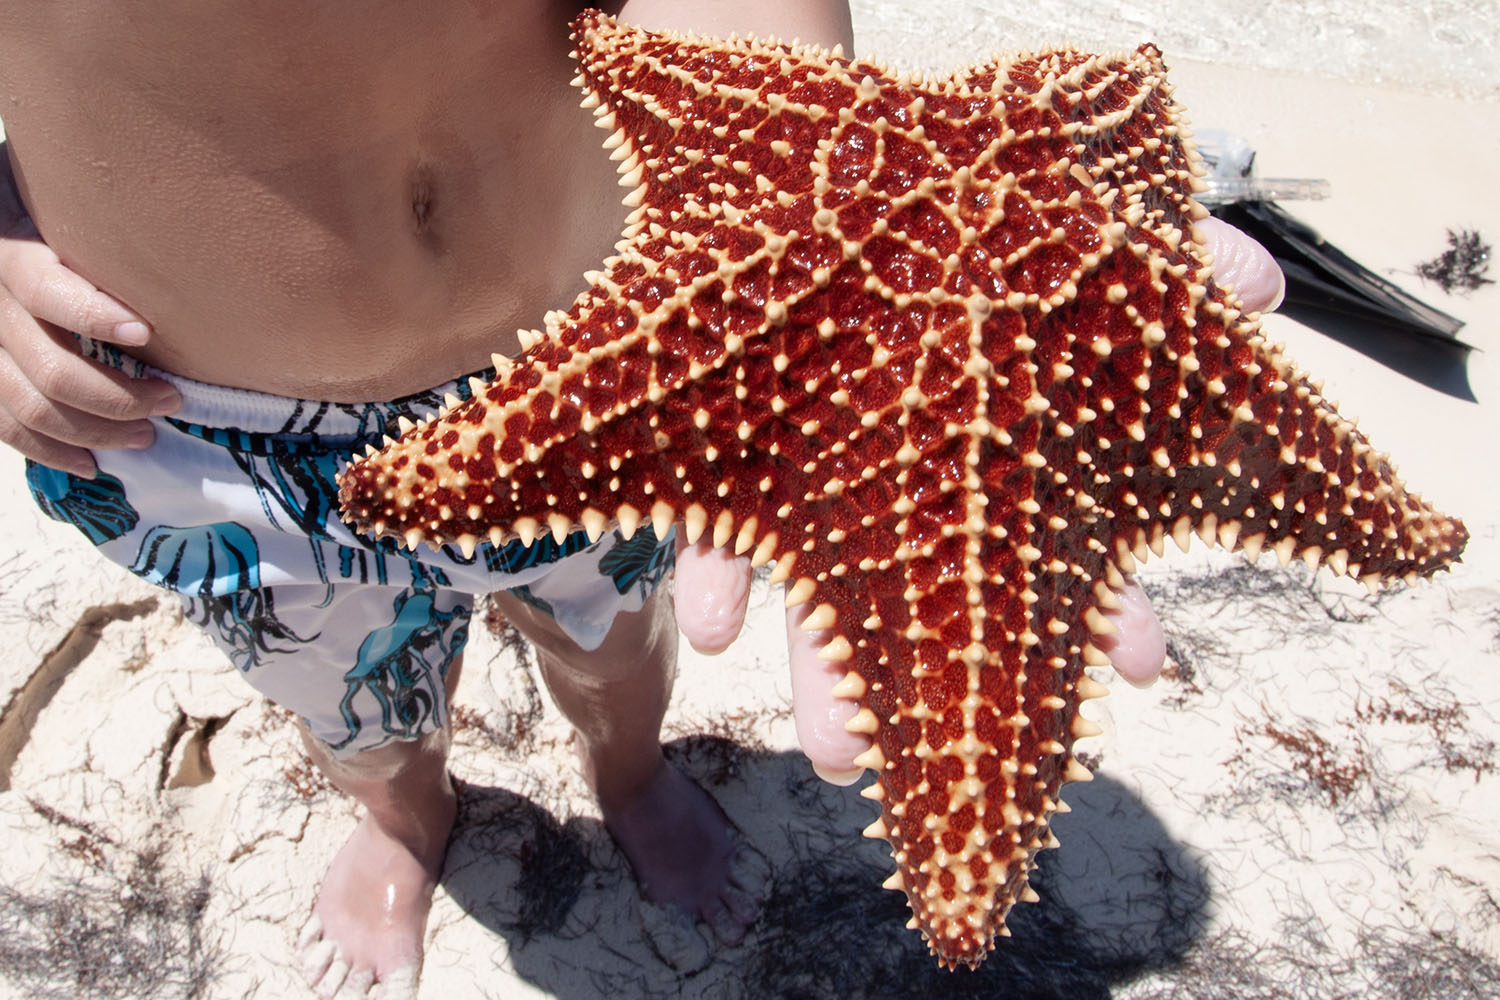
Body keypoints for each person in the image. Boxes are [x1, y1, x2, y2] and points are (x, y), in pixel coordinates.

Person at [0, 2, 1285, 995]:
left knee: (617, 647)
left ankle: (629, 774)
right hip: (184, 415)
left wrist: (820, 251)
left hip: (605, 355)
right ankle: (407, 814)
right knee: (347, 708)